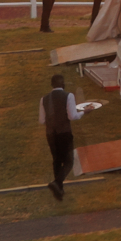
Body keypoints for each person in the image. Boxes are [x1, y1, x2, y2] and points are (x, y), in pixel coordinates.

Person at [38, 71, 77, 199]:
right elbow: (72, 116)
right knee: (69, 161)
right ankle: (57, 183)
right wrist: (84, 112)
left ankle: (59, 191)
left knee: (57, 160)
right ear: (63, 84)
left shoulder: (44, 99)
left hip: (50, 134)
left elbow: (42, 120)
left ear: (51, 85)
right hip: (64, 133)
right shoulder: (68, 96)